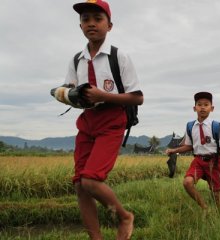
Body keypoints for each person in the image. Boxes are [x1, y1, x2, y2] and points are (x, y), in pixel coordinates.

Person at [58, 1, 143, 239]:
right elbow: (70, 92)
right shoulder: (77, 60)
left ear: (110, 25)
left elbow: (138, 97)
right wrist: (65, 95)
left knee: (91, 180)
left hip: (112, 119)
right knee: (80, 185)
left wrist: (103, 95)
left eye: (98, 18)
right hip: (87, 121)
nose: (91, 23)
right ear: (80, 25)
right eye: (86, 19)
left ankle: (124, 217)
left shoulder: (119, 57)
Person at [165, 92, 220, 211]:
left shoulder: (217, 126)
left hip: (214, 162)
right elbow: (189, 146)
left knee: (216, 192)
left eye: (206, 104)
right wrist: (174, 150)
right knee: (187, 182)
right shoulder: (190, 126)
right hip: (198, 161)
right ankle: (205, 208)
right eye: (199, 104)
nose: (202, 107)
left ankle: (219, 214)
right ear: (194, 108)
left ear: (212, 108)